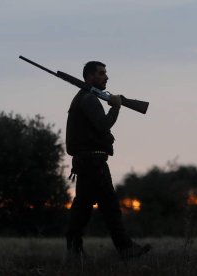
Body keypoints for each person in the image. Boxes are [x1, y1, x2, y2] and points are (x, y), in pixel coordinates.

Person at [65, 61, 151, 260]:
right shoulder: (89, 99)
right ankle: (125, 248)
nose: (106, 77)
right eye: (102, 73)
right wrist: (116, 107)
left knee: (83, 208)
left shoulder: (84, 98)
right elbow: (103, 125)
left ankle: (74, 249)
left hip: (87, 162)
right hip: (93, 162)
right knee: (109, 206)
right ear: (90, 77)